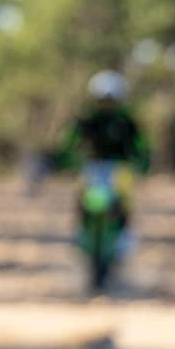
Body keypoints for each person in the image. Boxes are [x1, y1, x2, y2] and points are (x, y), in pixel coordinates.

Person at [48, 70, 152, 243]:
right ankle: (82, 229)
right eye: (103, 99)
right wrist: (65, 157)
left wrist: (143, 160)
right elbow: (70, 139)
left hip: (120, 168)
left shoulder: (126, 122)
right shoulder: (88, 119)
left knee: (122, 199)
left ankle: (123, 232)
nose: (107, 103)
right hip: (93, 167)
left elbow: (140, 144)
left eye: (110, 99)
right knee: (83, 195)